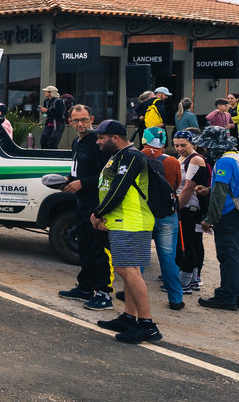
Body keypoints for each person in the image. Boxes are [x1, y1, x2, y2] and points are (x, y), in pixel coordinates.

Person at [88, 120, 162, 343]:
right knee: (131, 269)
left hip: (131, 221)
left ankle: (147, 324)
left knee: (125, 268)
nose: (98, 141)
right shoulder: (119, 155)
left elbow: (118, 190)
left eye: (101, 138)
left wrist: (98, 213)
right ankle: (130, 317)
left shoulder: (131, 156)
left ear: (116, 138)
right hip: (123, 220)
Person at [58, 105, 117, 309]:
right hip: (81, 203)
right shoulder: (76, 141)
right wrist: (68, 179)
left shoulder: (98, 142)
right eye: (76, 120)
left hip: (97, 203)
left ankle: (104, 293)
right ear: (70, 121)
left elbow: (106, 175)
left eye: (84, 119)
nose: (80, 124)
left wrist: (82, 183)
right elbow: (79, 169)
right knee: (84, 246)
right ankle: (85, 288)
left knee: (99, 249)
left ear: (92, 118)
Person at [196, 126, 239, 312]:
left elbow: (221, 193)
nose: (206, 151)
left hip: (229, 214)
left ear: (214, 146)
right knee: (237, 255)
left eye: (207, 147)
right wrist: (209, 190)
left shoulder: (223, 162)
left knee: (228, 256)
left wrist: (210, 218)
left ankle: (227, 296)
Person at [139, 128, 186, 311]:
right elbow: (176, 184)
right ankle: (175, 298)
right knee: (167, 258)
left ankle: (131, 293)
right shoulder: (173, 161)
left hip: (143, 213)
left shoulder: (136, 157)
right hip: (167, 214)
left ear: (144, 139)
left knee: (140, 257)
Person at [173, 128, 210, 295]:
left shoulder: (195, 160)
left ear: (192, 144)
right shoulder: (183, 158)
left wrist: (175, 209)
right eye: (176, 145)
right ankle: (193, 280)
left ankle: (184, 283)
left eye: (183, 145)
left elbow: (188, 188)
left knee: (187, 245)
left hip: (189, 207)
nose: (180, 148)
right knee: (191, 243)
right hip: (185, 206)